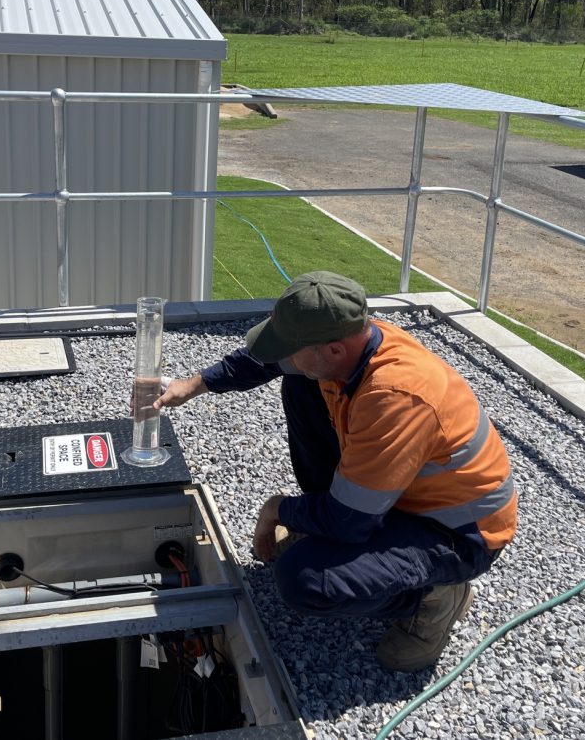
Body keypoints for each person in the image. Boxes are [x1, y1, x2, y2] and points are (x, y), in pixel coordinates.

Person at [157, 271, 517, 671]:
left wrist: (278, 509)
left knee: (305, 579)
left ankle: (434, 599)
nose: (285, 357)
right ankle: (336, 529)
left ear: (332, 350)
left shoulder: (394, 396)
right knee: (300, 382)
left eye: (293, 349)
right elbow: (265, 361)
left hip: (456, 533)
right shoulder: (352, 340)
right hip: (400, 496)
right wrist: (194, 385)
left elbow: (351, 522)